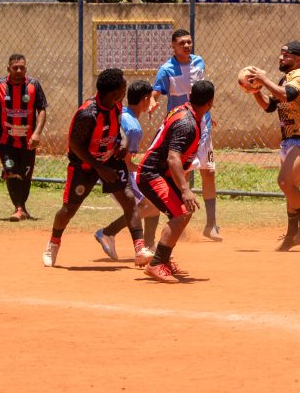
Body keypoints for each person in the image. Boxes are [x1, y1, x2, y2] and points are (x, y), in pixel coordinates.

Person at [42, 68, 145, 268]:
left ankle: (140, 249)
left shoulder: (116, 106)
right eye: (123, 86)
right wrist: (98, 167)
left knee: (129, 199)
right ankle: (53, 243)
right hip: (85, 165)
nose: (126, 89)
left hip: (109, 159)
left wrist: (122, 142)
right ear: (114, 92)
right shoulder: (88, 114)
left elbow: (119, 130)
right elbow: (75, 145)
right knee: (69, 209)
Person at [148, 29, 222, 241]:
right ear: (173, 45)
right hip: (184, 127)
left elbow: (201, 93)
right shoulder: (166, 69)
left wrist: (209, 112)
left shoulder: (199, 62)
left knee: (209, 172)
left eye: (189, 42)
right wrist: (153, 101)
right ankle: (179, 222)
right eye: (182, 43)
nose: (187, 46)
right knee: (183, 175)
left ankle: (211, 225)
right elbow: (156, 91)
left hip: (203, 127)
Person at [138, 80, 214, 283]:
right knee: (180, 214)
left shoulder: (185, 111)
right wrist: (185, 189)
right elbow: (173, 157)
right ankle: (156, 264)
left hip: (160, 173)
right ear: (211, 102)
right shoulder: (187, 123)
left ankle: (162, 259)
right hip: (152, 173)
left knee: (183, 213)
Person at [245, 41, 300, 252]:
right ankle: (290, 235)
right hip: (288, 139)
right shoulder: (285, 79)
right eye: (281, 54)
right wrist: (255, 90)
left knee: (284, 182)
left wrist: (264, 80)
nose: (280, 58)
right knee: (290, 190)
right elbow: (270, 106)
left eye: (285, 55)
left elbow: (288, 95)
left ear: (297, 59)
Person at [0, 54, 47, 222]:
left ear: (26, 69)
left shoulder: (34, 85)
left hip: (28, 142)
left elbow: (42, 110)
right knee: (12, 172)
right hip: (6, 141)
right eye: (15, 68)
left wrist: (37, 133)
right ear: (8, 69)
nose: (19, 70)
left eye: (22, 67)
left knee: (25, 175)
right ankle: (18, 208)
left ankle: (22, 208)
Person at [93, 79, 160, 265]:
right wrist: (147, 169)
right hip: (117, 174)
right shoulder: (134, 127)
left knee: (154, 199)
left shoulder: (120, 113)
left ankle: (149, 244)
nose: (153, 103)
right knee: (148, 206)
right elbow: (127, 163)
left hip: (105, 168)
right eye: (152, 99)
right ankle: (107, 232)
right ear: (145, 99)